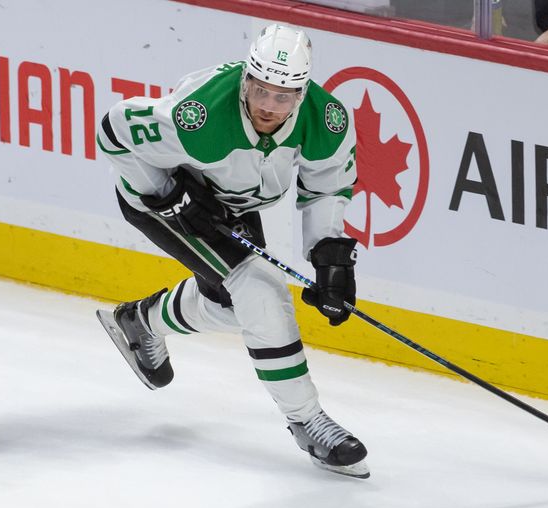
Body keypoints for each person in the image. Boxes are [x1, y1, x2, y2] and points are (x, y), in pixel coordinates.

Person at [95, 24, 367, 478]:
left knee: (242, 307)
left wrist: (330, 260)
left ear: (301, 94)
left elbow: (327, 187)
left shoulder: (327, 119)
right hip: (164, 203)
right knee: (261, 292)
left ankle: (141, 322)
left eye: (282, 96)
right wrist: (166, 194)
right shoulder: (197, 113)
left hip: (223, 204)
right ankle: (307, 420)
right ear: (246, 79)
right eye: (259, 90)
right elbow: (113, 130)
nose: (267, 105)